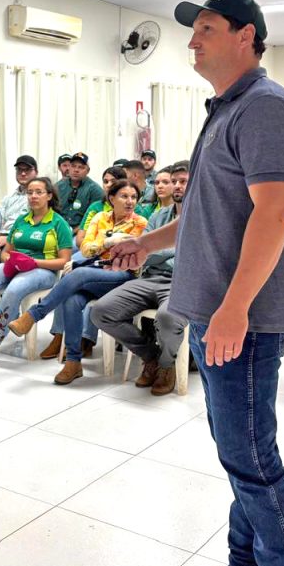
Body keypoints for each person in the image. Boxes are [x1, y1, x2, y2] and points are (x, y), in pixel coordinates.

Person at [110, 0, 284, 566]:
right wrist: (146, 242)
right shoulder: (227, 108)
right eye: (192, 30)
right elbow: (209, 211)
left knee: (252, 463)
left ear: (246, 36)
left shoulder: (266, 108)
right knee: (240, 458)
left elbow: (275, 212)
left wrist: (235, 307)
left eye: (207, 29)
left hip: (239, 320)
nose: (192, 41)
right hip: (213, 311)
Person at [9, 178, 148, 385]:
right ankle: (73, 362)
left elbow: (127, 255)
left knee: (78, 273)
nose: (130, 201)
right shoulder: (100, 217)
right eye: (124, 196)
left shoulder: (140, 223)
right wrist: (108, 242)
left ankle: (34, 315)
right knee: (72, 299)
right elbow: (85, 248)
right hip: (96, 272)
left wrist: (101, 247)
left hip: (123, 275)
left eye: (134, 197)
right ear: (112, 198)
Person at [90, 163, 189, 396]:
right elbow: (144, 255)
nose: (177, 185)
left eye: (183, 181)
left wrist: (155, 249)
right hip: (150, 278)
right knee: (101, 312)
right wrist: (172, 250)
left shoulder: (205, 218)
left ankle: (166, 366)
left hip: (183, 283)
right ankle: (151, 356)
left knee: (167, 318)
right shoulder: (158, 215)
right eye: (174, 181)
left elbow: (193, 259)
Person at [0, 177, 72, 372]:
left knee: (14, 288)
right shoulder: (21, 220)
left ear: (49, 196)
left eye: (39, 192)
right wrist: (12, 260)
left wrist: (33, 262)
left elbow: (64, 261)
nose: (33, 196)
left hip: (43, 269)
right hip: (15, 266)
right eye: (30, 192)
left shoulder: (58, 223)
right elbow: (5, 252)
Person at [0, 155, 39, 251]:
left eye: (27, 170)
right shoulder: (8, 198)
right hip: (1, 239)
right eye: (19, 170)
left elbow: (37, 225)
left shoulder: (39, 197)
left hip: (24, 239)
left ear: (36, 172)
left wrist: (9, 239)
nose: (23, 173)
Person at [56, 152, 103, 231]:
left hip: (82, 231)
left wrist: (74, 232)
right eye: (73, 166)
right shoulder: (58, 186)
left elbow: (96, 218)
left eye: (81, 167)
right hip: (58, 229)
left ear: (88, 171)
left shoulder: (95, 190)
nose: (76, 170)